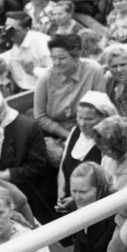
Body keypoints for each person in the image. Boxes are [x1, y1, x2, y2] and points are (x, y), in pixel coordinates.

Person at [0, 85, 51, 225]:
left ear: (1, 103)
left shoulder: (27, 127)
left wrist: (9, 174)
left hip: (30, 193)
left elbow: (39, 166)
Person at [34, 33, 107, 174]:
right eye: (53, 58)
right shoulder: (45, 78)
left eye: (62, 58)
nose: (56, 63)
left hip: (91, 130)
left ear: (77, 55)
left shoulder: (93, 70)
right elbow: (40, 116)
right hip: (58, 133)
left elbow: (101, 108)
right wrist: (68, 136)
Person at [56, 91, 116, 210]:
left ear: (104, 118)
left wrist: (74, 199)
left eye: (88, 119)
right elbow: (64, 164)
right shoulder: (75, 132)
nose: (82, 124)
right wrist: (61, 193)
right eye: (79, 117)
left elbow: (107, 185)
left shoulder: (109, 145)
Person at [66, 162, 116, 252]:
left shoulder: (114, 212)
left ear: (99, 189)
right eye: (74, 191)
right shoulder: (76, 205)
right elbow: (79, 242)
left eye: (83, 192)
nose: (77, 197)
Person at [0, 11, 52, 92]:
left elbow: (58, 74)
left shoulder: (42, 43)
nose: (8, 33)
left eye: (13, 30)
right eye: (6, 28)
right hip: (22, 92)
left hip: (45, 91)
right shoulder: (6, 44)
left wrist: (34, 71)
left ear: (26, 29)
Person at [92, 115, 127, 191]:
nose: (103, 154)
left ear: (119, 145)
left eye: (106, 150)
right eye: (100, 149)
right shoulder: (106, 159)